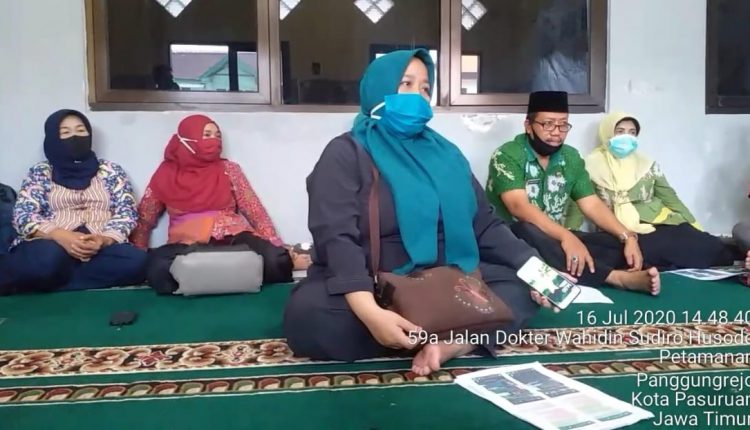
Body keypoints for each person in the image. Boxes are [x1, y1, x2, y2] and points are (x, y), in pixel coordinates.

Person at [283, 49, 557, 376]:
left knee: (519, 286)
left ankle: (454, 341)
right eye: (406, 84)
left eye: (425, 88)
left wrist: (539, 271)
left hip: (449, 277)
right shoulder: (346, 153)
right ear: (378, 90)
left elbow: (485, 226)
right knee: (311, 317)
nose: (418, 96)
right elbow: (337, 237)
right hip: (376, 281)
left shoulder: (447, 155)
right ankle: (454, 327)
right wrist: (370, 312)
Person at [485, 91, 660, 295]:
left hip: (553, 236)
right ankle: (616, 278)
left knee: (610, 242)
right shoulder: (506, 155)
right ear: (528, 126)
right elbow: (519, 208)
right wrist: (566, 236)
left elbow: (591, 203)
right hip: (510, 238)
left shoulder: (570, 157)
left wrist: (627, 236)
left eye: (563, 125)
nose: (556, 132)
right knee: (526, 231)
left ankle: (582, 268)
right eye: (548, 124)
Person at [130, 114, 310, 294]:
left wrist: (276, 244)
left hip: (232, 237)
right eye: (207, 135)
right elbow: (145, 217)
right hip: (187, 242)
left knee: (275, 260)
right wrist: (139, 251)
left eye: (217, 136)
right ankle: (229, 275)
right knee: (157, 269)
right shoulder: (165, 174)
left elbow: (253, 209)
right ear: (186, 139)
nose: (214, 141)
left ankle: (209, 277)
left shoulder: (229, 169)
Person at [0, 110, 147, 294]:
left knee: (137, 261)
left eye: (80, 130)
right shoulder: (41, 172)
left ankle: (50, 280)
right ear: (53, 138)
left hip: (97, 246)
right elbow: (24, 214)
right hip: (52, 243)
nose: (75, 137)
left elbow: (127, 212)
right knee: (47, 258)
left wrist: (104, 240)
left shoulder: (110, 170)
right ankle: (57, 274)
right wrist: (60, 236)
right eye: (66, 133)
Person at [567, 111, 733, 270]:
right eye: (620, 131)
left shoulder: (647, 164)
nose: (627, 137)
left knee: (709, 247)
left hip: (657, 224)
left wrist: (696, 226)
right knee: (604, 250)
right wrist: (570, 234)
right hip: (617, 230)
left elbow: (670, 198)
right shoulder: (590, 165)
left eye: (632, 133)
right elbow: (580, 202)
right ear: (607, 133)